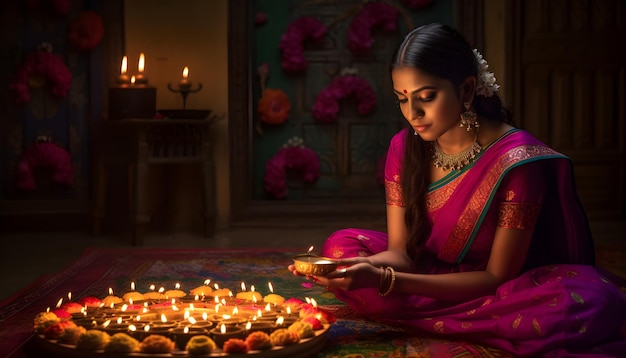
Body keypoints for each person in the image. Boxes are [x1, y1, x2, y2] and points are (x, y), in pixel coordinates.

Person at [288, 23, 626, 356]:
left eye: (426, 98)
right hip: (430, 271)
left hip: (501, 289)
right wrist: (352, 271)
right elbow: (401, 255)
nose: (413, 114)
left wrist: (385, 282)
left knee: (586, 303)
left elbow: (496, 277)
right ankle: (439, 310)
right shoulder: (404, 147)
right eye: (402, 100)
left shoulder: (519, 162)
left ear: (466, 90)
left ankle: (420, 308)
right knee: (340, 247)